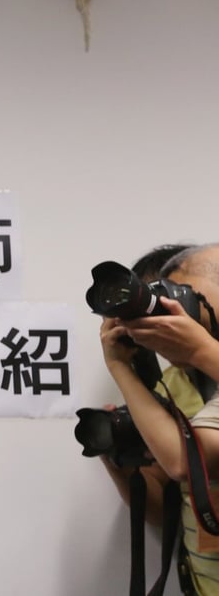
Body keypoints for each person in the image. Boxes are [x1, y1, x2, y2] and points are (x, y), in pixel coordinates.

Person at [100, 243, 219, 594]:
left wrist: (199, 349)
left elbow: (184, 460)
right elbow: (165, 503)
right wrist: (115, 458)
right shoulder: (171, 387)